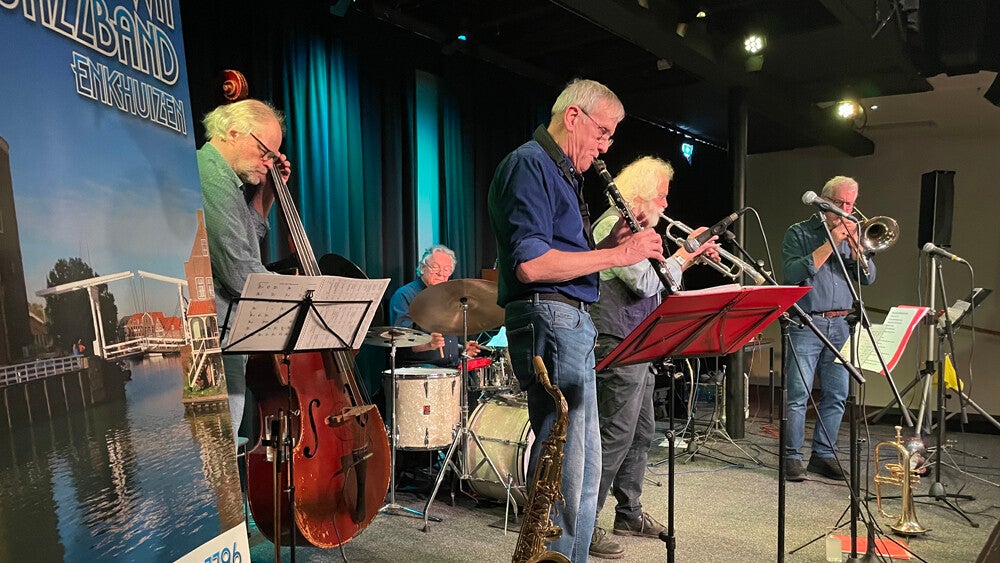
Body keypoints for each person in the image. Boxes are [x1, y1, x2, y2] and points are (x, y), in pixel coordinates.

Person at [487, 78, 667, 561]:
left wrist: (607, 246)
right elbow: (531, 265)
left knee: (584, 473)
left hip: (569, 320)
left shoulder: (561, 172)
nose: (605, 146)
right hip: (551, 318)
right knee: (565, 471)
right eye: (603, 132)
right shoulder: (530, 164)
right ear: (573, 117)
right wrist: (619, 255)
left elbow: (565, 260)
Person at [587, 156, 720, 558]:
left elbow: (663, 285)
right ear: (641, 194)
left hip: (640, 341)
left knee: (643, 431)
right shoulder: (613, 226)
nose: (666, 203)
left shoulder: (642, 230)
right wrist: (685, 255)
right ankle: (584, 522)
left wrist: (686, 256)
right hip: (615, 340)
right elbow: (646, 283)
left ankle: (628, 512)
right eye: (661, 195)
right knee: (615, 434)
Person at [198, 98, 291, 440]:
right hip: (215, 342)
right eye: (265, 151)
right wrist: (306, 295)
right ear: (234, 132)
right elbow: (241, 273)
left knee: (224, 448)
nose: (268, 162)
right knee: (219, 450)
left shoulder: (226, 181)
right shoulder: (210, 177)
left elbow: (246, 240)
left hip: (227, 339)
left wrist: (268, 193)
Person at [782, 175, 875, 482]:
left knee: (837, 393)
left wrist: (858, 250)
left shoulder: (854, 232)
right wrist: (831, 242)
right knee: (799, 393)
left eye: (851, 204)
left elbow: (869, 277)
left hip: (841, 324)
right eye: (840, 203)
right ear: (824, 202)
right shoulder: (799, 233)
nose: (846, 210)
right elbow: (792, 273)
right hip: (807, 323)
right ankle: (791, 457)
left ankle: (823, 454)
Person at [387, 244, 480, 368]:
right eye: (435, 267)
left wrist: (461, 348)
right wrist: (427, 345)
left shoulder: (449, 296)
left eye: (447, 269)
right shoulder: (404, 295)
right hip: (418, 369)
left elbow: (446, 341)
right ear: (422, 268)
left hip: (451, 367)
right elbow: (400, 340)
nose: (441, 273)